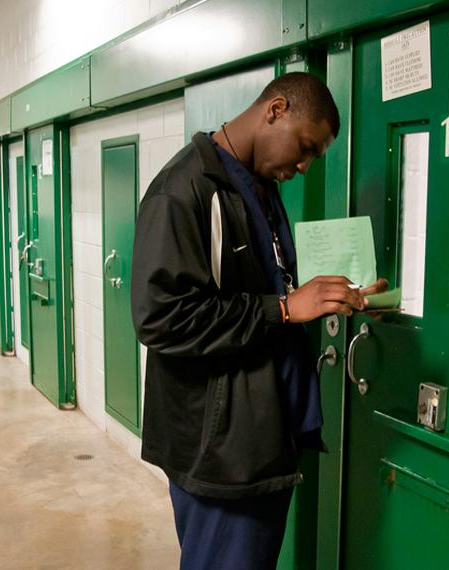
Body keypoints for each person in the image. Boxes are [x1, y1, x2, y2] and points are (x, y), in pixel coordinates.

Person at [130, 72, 388, 569]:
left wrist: (331, 296)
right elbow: (159, 318)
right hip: (220, 451)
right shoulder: (182, 191)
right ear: (275, 110)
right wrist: (287, 308)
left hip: (265, 436)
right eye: (306, 147)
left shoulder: (260, 188)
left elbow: (260, 290)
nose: (306, 166)